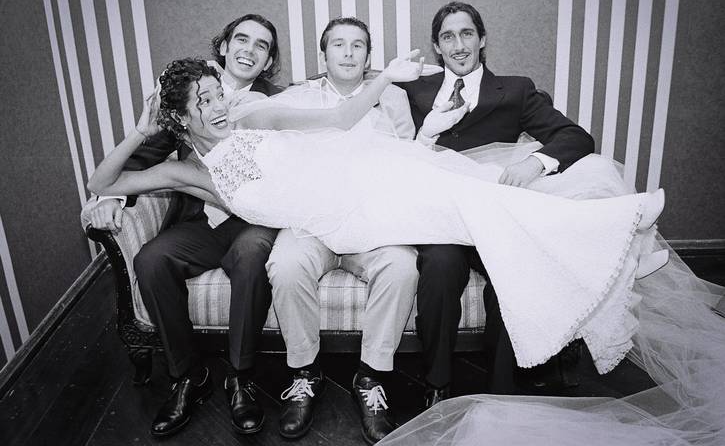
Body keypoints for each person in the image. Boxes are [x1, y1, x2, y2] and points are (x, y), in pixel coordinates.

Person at [88, 54, 665, 427]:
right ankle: (609, 236)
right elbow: (103, 183)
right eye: (204, 101)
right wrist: (140, 131)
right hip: (347, 220)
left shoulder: (255, 118)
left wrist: (384, 78)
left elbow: (340, 121)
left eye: (218, 94)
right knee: (477, 213)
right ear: (179, 118)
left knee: (481, 198)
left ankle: (613, 226)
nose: (219, 106)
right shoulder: (189, 172)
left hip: (371, 178)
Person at [394, 1, 630, 405]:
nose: (458, 45)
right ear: (437, 46)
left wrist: (534, 162)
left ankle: (502, 395)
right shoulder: (413, 90)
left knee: (513, 274)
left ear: (482, 39)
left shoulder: (516, 89)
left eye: (467, 34)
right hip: (443, 219)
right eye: (448, 37)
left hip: (498, 219)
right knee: (440, 266)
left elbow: (576, 137)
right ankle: (437, 385)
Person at [82, 15, 282, 438]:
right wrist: (111, 196)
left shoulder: (273, 103)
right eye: (241, 39)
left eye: (261, 45)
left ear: (268, 62)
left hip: (254, 222)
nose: (249, 50)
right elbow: (136, 162)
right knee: (151, 260)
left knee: (250, 255)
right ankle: (188, 376)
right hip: (203, 219)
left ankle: (241, 377)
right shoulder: (184, 96)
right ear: (224, 47)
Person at [257, 17, 420, 443]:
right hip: (313, 223)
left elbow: (409, 160)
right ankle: (305, 372)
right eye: (339, 45)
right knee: (285, 265)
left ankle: (371, 376)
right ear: (323, 54)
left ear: (368, 55)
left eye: (358, 45)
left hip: (372, 222)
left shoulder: (394, 96)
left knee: (402, 268)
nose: (348, 53)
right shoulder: (299, 97)